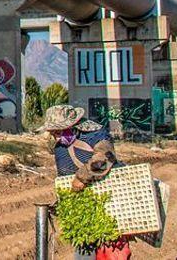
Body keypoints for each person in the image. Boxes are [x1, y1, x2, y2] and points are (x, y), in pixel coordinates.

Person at [37, 104, 128, 260]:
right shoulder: (60, 148)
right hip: (85, 210)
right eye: (53, 133)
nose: (56, 137)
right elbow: (64, 178)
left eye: (58, 132)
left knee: (111, 251)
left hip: (110, 201)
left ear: (73, 126)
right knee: (84, 251)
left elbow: (104, 158)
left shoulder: (95, 135)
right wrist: (62, 203)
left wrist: (81, 177)